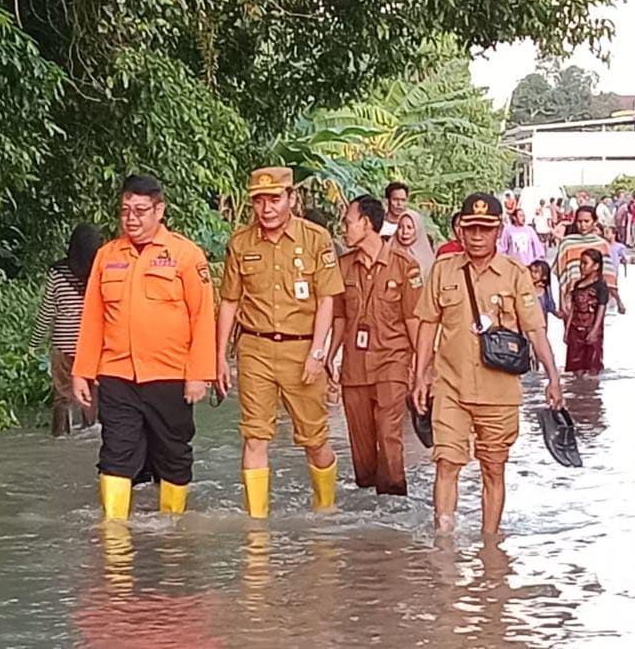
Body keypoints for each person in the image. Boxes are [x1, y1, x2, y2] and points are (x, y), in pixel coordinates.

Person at [413, 193, 563, 538]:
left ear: (499, 232)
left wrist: (553, 378)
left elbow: (535, 330)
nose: (477, 236)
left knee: (493, 470)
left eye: (485, 229)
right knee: (446, 463)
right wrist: (419, 376)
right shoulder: (443, 270)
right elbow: (426, 325)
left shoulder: (514, 275)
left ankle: (490, 545)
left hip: (499, 393)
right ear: (460, 231)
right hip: (450, 386)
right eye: (471, 229)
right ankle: (444, 543)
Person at [72, 175, 216, 519]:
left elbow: (202, 318)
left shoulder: (185, 254)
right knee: (115, 454)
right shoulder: (107, 256)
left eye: (140, 210)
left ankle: (171, 530)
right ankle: (114, 533)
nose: (131, 219)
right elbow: (93, 318)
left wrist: (199, 374)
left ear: (159, 210)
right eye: (125, 211)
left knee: (173, 454)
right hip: (117, 374)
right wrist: (82, 372)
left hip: (169, 375)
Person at [216, 167, 345, 517]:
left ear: (292, 199)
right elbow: (229, 301)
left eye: (275, 199)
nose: (267, 208)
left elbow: (327, 300)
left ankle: (325, 508)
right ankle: (257, 523)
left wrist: (318, 353)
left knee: (314, 439)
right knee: (255, 437)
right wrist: (219, 358)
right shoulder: (241, 243)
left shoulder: (317, 239)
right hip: (254, 350)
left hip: (303, 350)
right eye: (259, 201)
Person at [328, 196, 422, 496]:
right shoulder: (342, 267)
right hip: (354, 367)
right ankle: (368, 520)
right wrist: (330, 356)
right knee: (362, 449)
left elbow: (413, 322)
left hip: (392, 363)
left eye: (348, 222)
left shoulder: (404, 266)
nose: (344, 228)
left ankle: (395, 504)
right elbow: (340, 317)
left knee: (390, 436)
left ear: (366, 223)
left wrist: (422, 372)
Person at [32, 223, 102, 436]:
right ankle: (90, 431)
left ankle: (60, 435)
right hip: (91, 346)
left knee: (62, 395)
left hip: (63, 345)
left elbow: (47, 310)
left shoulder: (57, 272)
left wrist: (35, 342)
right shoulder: (100, 271)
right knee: (90, 393)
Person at [555, 206, 626, 315]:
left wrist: (618, 300)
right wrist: (562, 303)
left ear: (594, 222)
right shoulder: (567, 244)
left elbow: (608, 275)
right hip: (573, 299)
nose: (583, 225)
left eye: (586, 221)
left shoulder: (601, 245)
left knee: (594, 329)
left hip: (595, 299)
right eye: (579, 221)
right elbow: (562, 276)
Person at [561, 249, 609, 377]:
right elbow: (573, 309)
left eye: (585, 263)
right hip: (575, 330)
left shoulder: (601, 286)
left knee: (592, 366)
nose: (581, 266)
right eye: (580, 263)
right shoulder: (577, 285)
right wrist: (567, 329)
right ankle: (578, 394)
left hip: (591, 329)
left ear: (596, 266)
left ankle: (591, 395)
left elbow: (601, 310)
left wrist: (594, 331)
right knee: (576, 367)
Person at [394, 209, 436, 279]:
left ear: (418, 230)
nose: (405, 231)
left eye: (409, 227)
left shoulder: (428, 259)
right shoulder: (388, 253)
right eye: (400, 227)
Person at [528, 260, 557, 325]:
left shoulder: (545, 291)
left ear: (544, 276)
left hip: (541, 324)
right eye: (531, 271)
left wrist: (557, 313)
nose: (532, 274)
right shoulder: (527, 289)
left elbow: (550, 305)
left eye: (536, 272)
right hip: (528, 323)